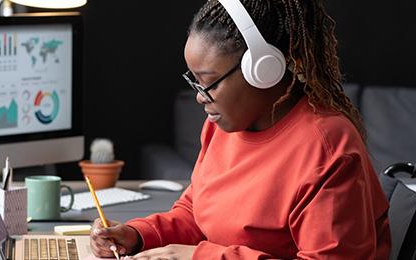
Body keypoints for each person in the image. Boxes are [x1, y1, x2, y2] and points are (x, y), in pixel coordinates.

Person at [90, 0, 391, 259]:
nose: (199, 95)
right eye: (194, 81)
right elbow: (196, 214)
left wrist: (201, 256)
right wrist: (137, 235)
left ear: (263, 69)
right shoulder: (221, 127)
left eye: (209, 81)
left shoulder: (327, 147)